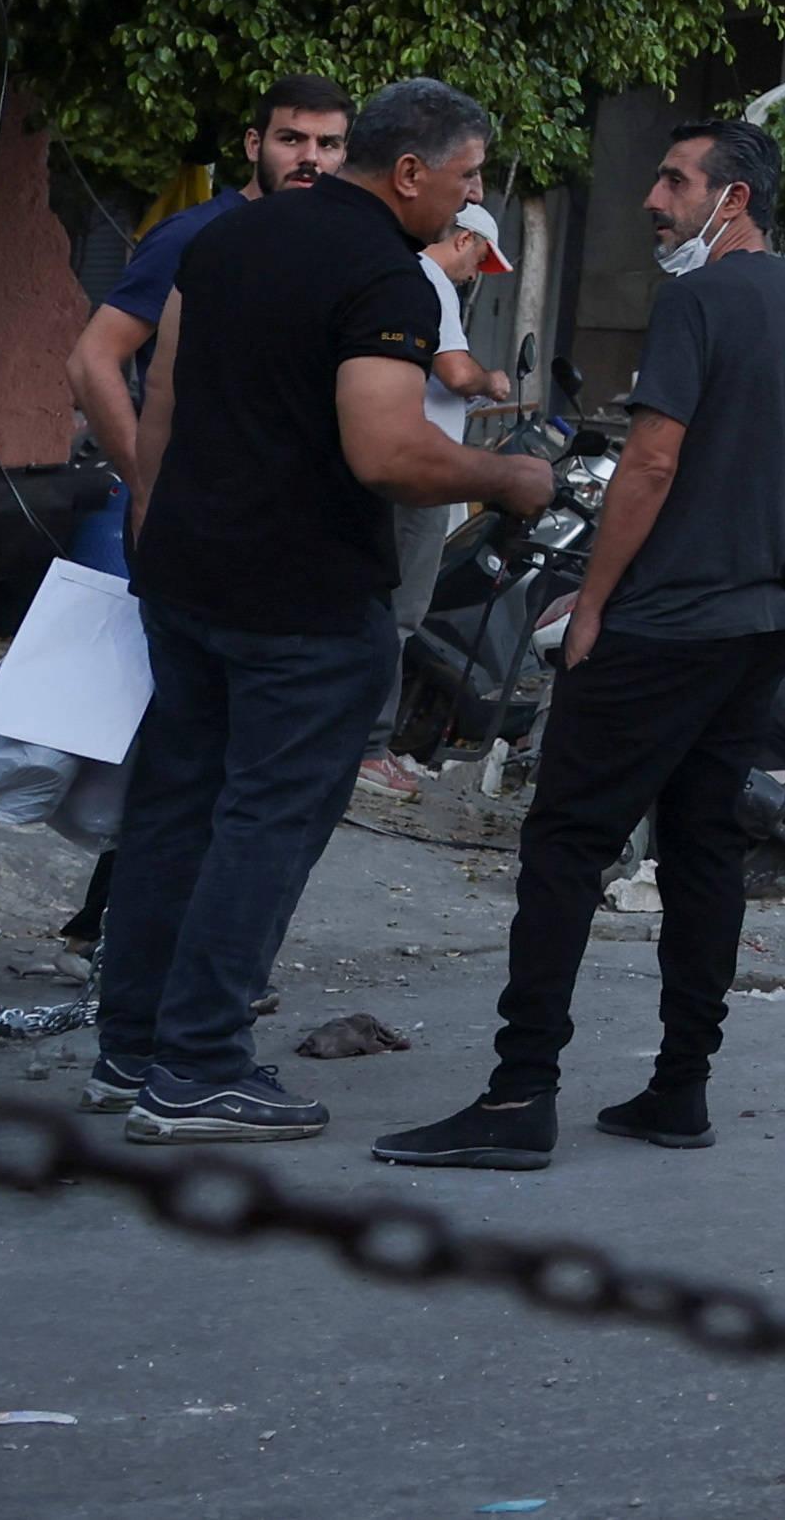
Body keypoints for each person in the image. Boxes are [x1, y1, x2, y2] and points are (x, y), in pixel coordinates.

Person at [377, 120, 785, 1171]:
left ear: (734, 198)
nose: (652, 198)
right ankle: (681, 1088)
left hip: (663, 625)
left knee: (564, 847)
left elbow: (649, 465)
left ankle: (518, 1093)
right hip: (757, 624)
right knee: (703, 849)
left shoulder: (697, 301)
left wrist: (592, 606)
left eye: (675, 180)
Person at [97, 79, 552, 1144]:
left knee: (174, 809)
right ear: (408, 172)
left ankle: (131, 1050)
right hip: (299, 599)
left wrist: (159, 541)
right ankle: (201, 1062)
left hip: (188, 576)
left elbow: (159, 408)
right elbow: (386, 451)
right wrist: (506, 478)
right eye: (467, 174)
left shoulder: (224, 240)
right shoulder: (377, 270)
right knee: (262, 820)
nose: (470, 195)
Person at [62, 73, 355, 579]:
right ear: (253, 143)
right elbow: (92, 360)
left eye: (328, 144)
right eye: (292, 139)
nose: (311, 158)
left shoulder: (330, 248)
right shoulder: (194, 234)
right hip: (189, 515)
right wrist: (146, 485)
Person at [370, 199, 526, 780]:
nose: (472, 275)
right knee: (401, 613)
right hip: (421, 474)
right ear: (463, 240)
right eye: (477, 261)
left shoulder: (401, 273)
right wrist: (493, 380)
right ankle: (369, 749)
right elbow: (457, 373)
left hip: (390, 461)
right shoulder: (434, 282)